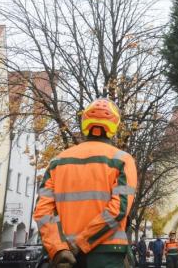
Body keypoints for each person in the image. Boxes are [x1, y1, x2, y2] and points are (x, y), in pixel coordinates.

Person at [34, 97, 138, 268]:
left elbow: (42, 212)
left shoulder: (57, 162)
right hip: (106, 254)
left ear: (85, 124)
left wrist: (58, 249)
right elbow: (118, 210)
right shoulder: (122, 160)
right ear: (115, 126)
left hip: (65, 258)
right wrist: (82, 242)